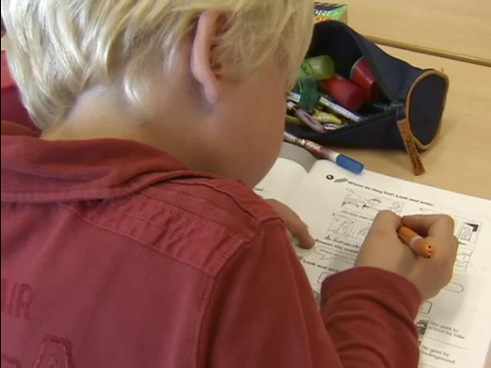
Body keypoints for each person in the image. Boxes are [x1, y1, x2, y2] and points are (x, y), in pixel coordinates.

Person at [1, 1, 458, 367]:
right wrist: (382, 292)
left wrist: (185, 209)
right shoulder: (236, 246)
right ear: (215, 50)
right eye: (283, 90)